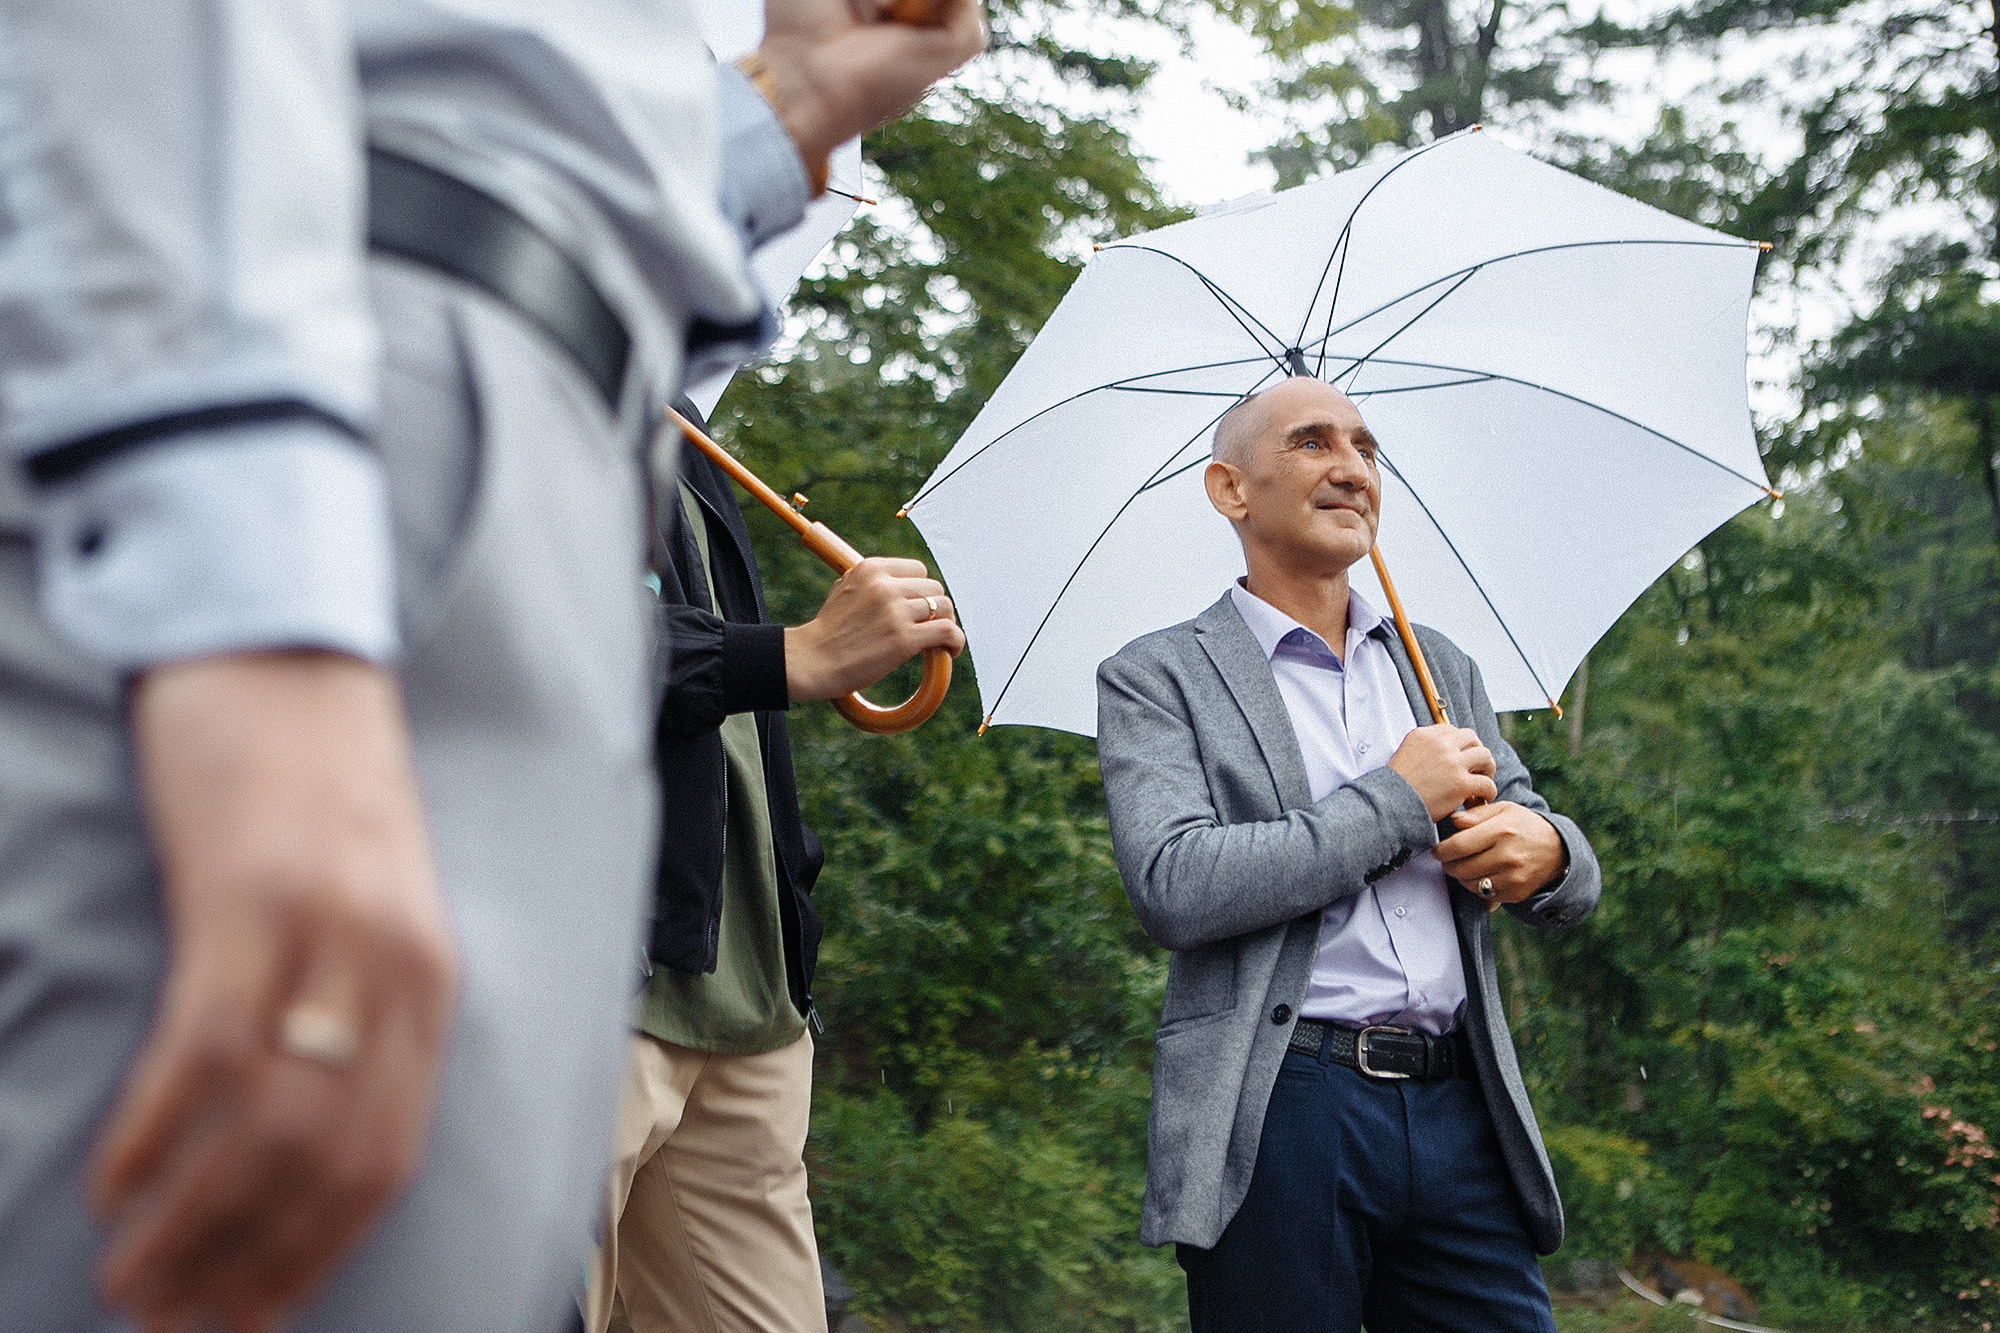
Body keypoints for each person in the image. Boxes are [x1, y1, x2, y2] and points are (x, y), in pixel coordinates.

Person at [0, 2, 981, 1330]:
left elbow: (505, 124)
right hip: (259, 400)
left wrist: (782, 114)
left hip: (530, 442)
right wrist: (262, 610)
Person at [1094, 374, 1602, 1332]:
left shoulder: (1438, 666)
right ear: (1229, 490)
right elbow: (1176, 885)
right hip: (1283, 1105)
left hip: (1464, 1107)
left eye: (1365, 449)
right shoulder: (1156, 676)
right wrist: (1394, 802)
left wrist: (1548, 852)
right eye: (1312, 443)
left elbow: (1554, 848)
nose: (1351, 469)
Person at [583, 397, 964, 1333]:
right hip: (591, 1000)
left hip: (752, 1015)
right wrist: (793, 651)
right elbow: (535, 632)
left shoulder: (691, 437)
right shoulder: (533, 365)